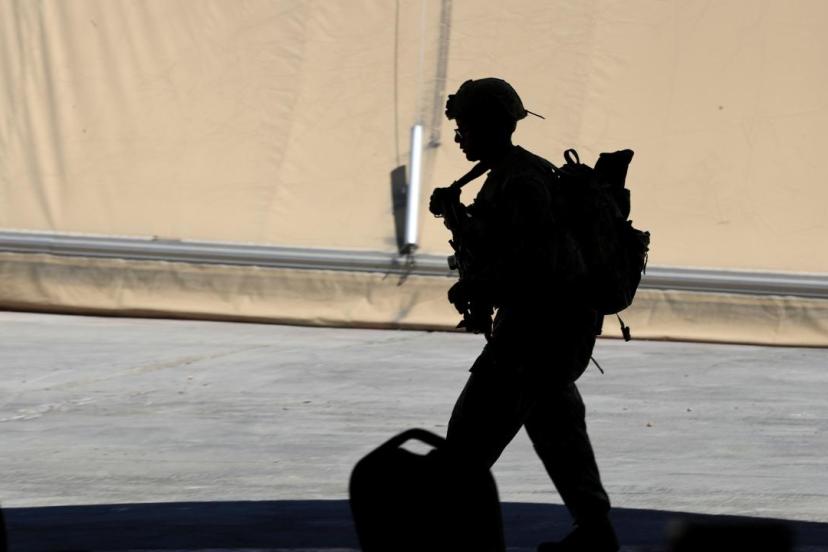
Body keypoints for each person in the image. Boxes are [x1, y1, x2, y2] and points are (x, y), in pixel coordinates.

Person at [429, 78, 620, 552]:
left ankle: (451, 540)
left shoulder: (522, 182)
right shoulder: (510, 174)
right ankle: (595, 532)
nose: (459, 137)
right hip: (552, 331)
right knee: (560, 433)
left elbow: (536, 261)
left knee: (469, 440)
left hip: (536, 333)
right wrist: (459, 221)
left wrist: (475, 285)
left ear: (493, 127)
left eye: (465, 127)